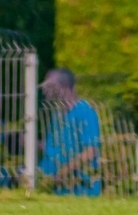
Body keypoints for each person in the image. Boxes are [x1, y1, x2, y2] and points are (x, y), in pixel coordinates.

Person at [37, 67, 102, 195]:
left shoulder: (85, 112)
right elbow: (55, 148)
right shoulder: (57, 114)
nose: (45, 89)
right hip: (53, 189)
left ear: (65, 86)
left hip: (79, 190)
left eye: (49, 85)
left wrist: (62, 173)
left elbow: (90, 151)